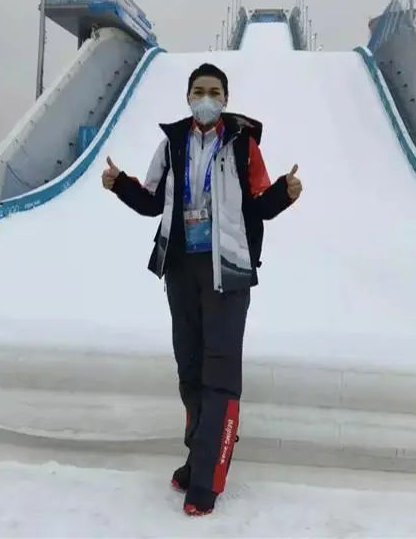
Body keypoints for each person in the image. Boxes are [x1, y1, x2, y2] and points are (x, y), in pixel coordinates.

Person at [102, 63, 302, 516]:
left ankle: (207, 481)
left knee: (220, 373)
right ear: (188, 96)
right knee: (190, 369)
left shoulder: (243, 145)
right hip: (181, 268)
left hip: (227, 270)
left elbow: (258, 204)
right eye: (199, 91)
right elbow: (153, 200)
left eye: (214, 91)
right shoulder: (172, 143)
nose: (206, 98)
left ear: (225, 99)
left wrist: (285, 194)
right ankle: (198, 459)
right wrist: (120, 185)